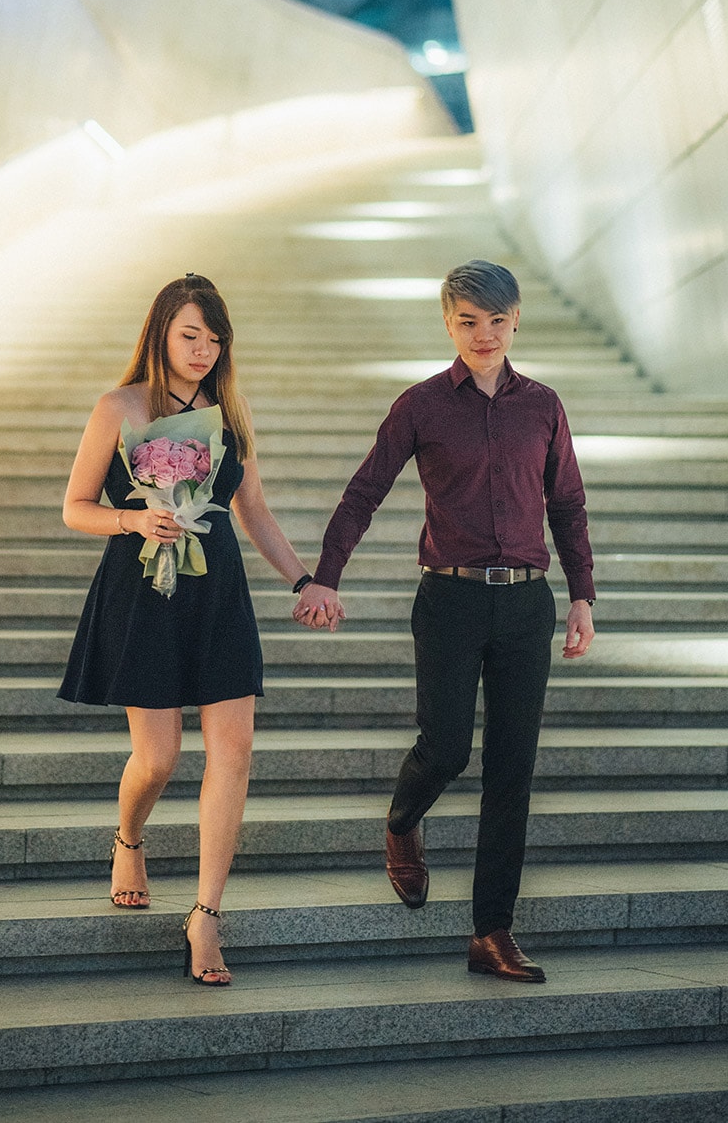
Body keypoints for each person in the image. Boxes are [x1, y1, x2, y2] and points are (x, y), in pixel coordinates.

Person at [295, 259, 595, 983]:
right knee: (448, 748)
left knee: (512, 770)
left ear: (517, 319)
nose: (484, 333)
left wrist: (582, 593)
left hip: (527, 601)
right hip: (451, 600)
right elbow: (364, 491)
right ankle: (402, 825)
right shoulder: (422, 406)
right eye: (468, 320)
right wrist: (325, 577)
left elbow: (567, 504)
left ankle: (491, 932)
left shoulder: (544, 406)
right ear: (448, 322)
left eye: (497, 319)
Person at [58, 273, 342, 987]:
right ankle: (129, 838)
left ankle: (206, 916)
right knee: (157, 760)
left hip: (218, 595)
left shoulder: (230, 413)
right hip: (143, 590)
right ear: (160, 332)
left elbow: (256, 515)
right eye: (191, 335)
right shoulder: (117, 407)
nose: (203, 350)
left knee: (235, 749)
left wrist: (305, 580)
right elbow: (75, 507)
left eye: (215, 340)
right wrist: (131, 518)